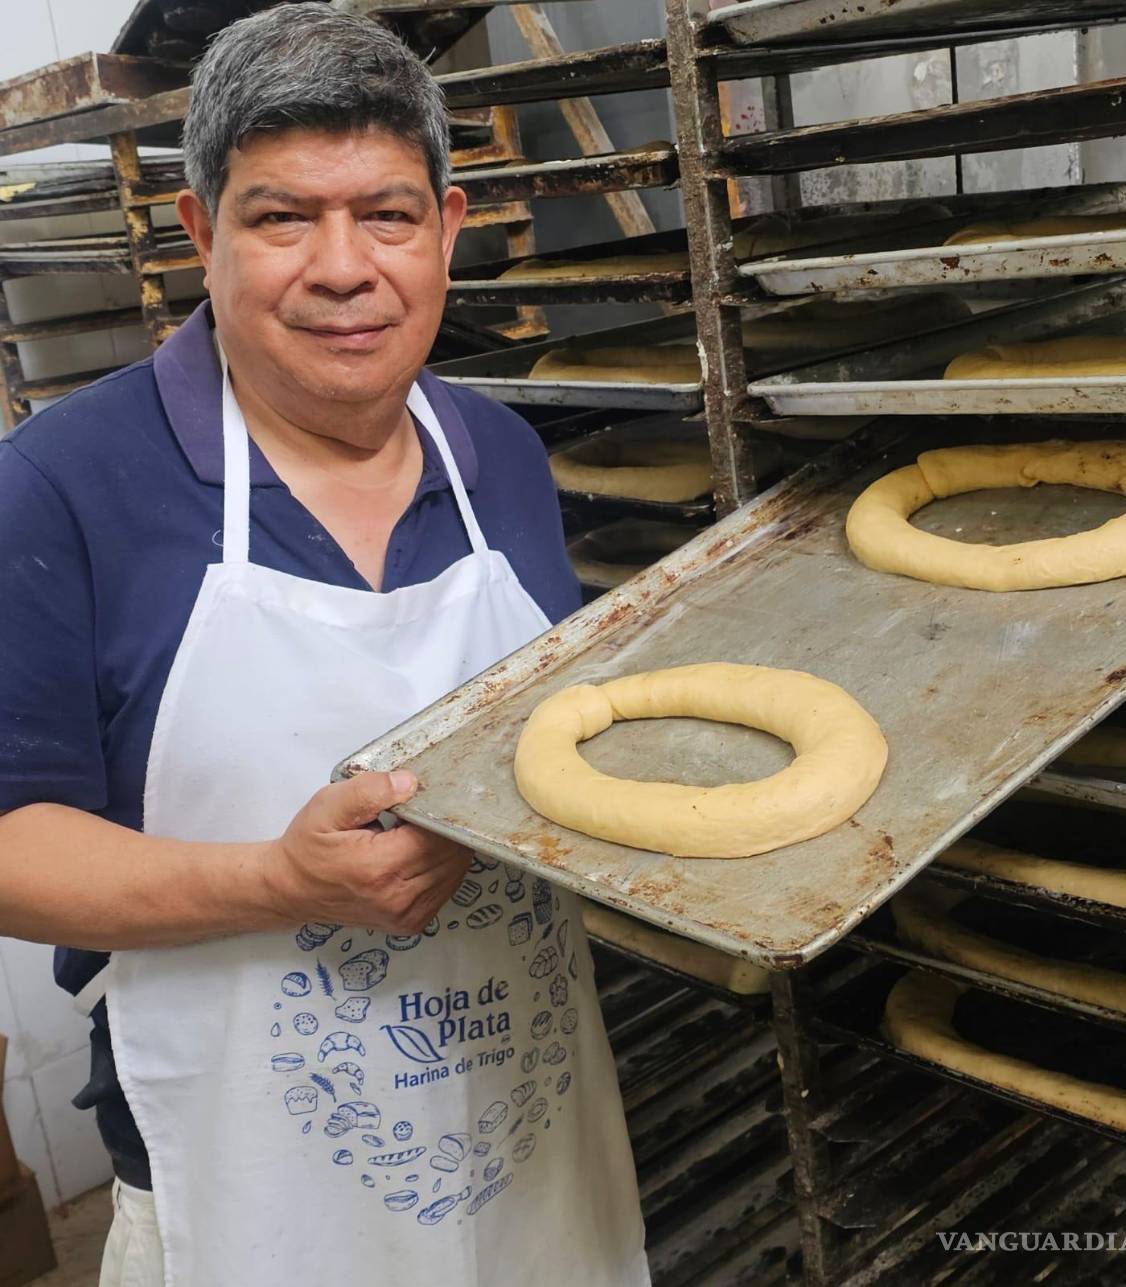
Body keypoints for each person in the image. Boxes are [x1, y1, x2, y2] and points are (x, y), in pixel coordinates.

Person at [0, 7, 648, 1284]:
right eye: (282, 217)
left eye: (389, 216)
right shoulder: (62, 488)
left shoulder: (498, 458)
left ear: (449, 232)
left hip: (526, 1124)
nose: (345, 268)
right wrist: (279, 883)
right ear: (201, 235)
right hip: (245, 1181)